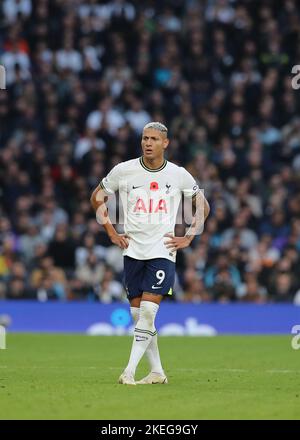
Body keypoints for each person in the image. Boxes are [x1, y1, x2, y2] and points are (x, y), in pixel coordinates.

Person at [90, 122, 210, 385]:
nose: (148, 143)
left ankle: (129, 372)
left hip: (162, 250)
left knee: (147, 313)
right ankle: (157, 372)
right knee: (138, 315)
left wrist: (189, 236)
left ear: (165, 143)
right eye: (145, 138)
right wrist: (110, 231)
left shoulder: (178, 174)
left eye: (154, 139)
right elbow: (97, 197)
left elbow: (202, 205)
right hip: (132, 250)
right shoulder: (124, 170)